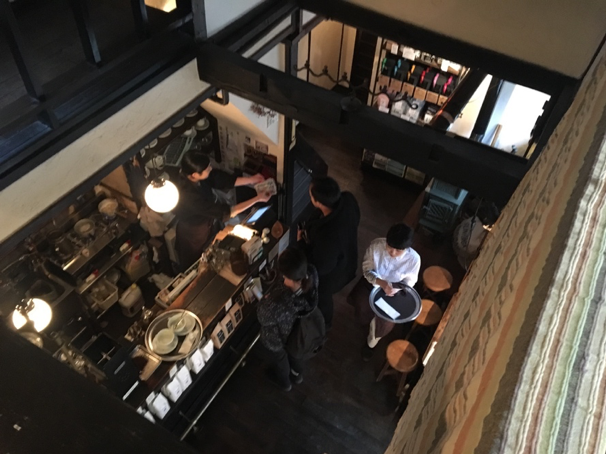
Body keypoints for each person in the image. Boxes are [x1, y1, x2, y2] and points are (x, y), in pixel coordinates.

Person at [173, 151, 270, 270]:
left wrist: (251, 180)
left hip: (208, 222)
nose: (210, 168)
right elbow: (228, 212)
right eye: (207, 168)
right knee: (195, 264)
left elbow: (221, 179)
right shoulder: (189, 197)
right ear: (194, 175)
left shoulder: (196, 175)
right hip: (193, 233)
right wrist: (257, 198)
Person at [349, 223, 421, 361]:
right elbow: (367, 270)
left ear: (407, 248)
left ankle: (371, 343)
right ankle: (365, 324)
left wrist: (396, 288)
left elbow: (410, 281)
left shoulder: (414, 260)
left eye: (398, 250)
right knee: (362, 307)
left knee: (385, 323)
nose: (392, 253)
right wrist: (381, 283)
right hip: (372, 284)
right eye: (390, 246)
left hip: (394, 292)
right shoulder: (376, 246)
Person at [298, 177, 360, 328]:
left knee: (322, 296)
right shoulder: (348, 200)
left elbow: (320, 266)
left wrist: (301, 243)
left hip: (334, 274)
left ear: (318, 202)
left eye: (311, 195)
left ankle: (325, 324)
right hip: (349, 255)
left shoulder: (329, 237)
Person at [257, 247, 319, 391]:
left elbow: (263, 317)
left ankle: (285, 383)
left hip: (280, 336)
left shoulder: (281, 302)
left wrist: (266, 300)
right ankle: (297, 376)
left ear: (286, 276)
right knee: (295, 356)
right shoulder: (312, 273)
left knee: (280, 358)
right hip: (301, 332)